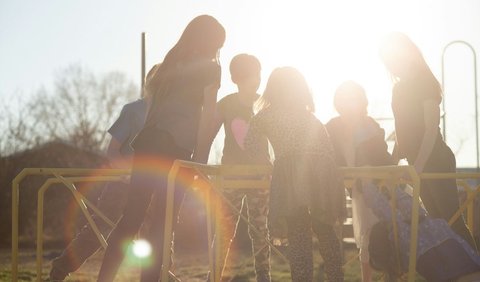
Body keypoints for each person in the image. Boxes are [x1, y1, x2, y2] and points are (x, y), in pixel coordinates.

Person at [96, 15, 225, 282]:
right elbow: (207, 115)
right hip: (174, 149)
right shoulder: (211, 68)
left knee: (131, 218)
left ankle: (104, 279)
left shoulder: (171, 60)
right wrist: (199, 160)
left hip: (147, 145)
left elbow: (154, 108)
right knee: (163, 224)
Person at [244, 67, 346, 282]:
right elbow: (328, 148)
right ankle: (336, 277)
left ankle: (302, 279)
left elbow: (250, 145)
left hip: (292, 174)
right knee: (326, 230)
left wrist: (266, 163)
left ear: (272, 89)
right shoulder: (310, 117)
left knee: (298, 233)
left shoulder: (266, 115)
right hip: (322, 173)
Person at [379, 31, 478, 251]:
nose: (392, 65)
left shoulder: (425, 81)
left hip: (436, 158)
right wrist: (394, 164)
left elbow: (431, 128)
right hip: (417, 163)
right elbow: (400, 129)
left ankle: (475, 268)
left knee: (452, 221)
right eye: (388, 62)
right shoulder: (398, 88)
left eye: (394, 59)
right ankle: (457, 271)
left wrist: (418, 167)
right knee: (438, 224)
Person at [49, 89, 151, 281]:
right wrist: (125, 172)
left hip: (151, 183)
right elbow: (112, 150)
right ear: (151, 83)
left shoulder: (168, 114)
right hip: (122, 182)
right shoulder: (134, 110)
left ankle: (161, 276)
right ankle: (60, 270)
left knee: (157, 229)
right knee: (99, 227)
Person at [207, 54, 271, 281]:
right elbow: (208, 133)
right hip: (231, 176)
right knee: (225, 230)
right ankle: (213, 277)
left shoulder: (265, 103)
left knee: (260, 230)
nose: (256, 79)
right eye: (251, 75)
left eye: (258, 74)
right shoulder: (226, 104)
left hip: (260, 177)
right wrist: (200, 164)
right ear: (236, 78)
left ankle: (264, 276)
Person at [326, 80, 394, 282]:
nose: (351, 106)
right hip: (353, 188)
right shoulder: (332, 127)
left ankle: (391, 275)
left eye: (355, 101)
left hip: (378, 187)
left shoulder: (369, 125)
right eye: (346, 101)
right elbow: (325, 155)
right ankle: (368, 279)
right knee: (365, 235)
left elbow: (382, 155)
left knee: (383, 233)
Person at [363, 184, 480, 282]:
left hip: (458, 271)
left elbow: (388, 212)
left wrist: (367, 183)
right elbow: (404, 207)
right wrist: (390, 185)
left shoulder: (408, 244)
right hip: (469, 264)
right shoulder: (427, 228)